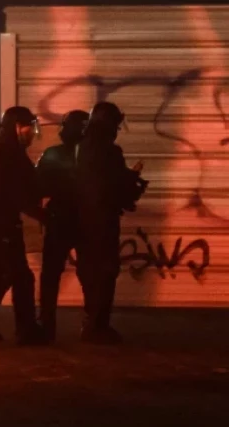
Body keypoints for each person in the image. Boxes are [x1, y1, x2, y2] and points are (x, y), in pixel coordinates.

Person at [0, 106, 49, 346]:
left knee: (17, 276)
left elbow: (28, 185)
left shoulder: (12, 152)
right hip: (0, 224)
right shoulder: (1, 153)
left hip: (7, 223)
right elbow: (11, 192)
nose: (31, 133)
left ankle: (22, 328)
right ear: (17, 127)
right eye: (28, 127)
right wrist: (39, 213)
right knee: (6, 275)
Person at [75, 101, 147, 345]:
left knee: (88, 270)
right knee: (106, 271)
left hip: (82, 219)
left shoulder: (81, 148)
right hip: (103, 220)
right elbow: (113, 185)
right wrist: (132, 180)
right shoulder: (109, 151)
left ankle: (90, 320)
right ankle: (98, 325)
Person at [36, 110, 89, 340]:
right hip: (83, 220)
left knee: (51, 276)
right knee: (89, 275)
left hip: (60, 219)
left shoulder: (53, 154)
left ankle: (47, 326)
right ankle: (92, 325)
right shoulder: (93, 156)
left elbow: (39, 185)